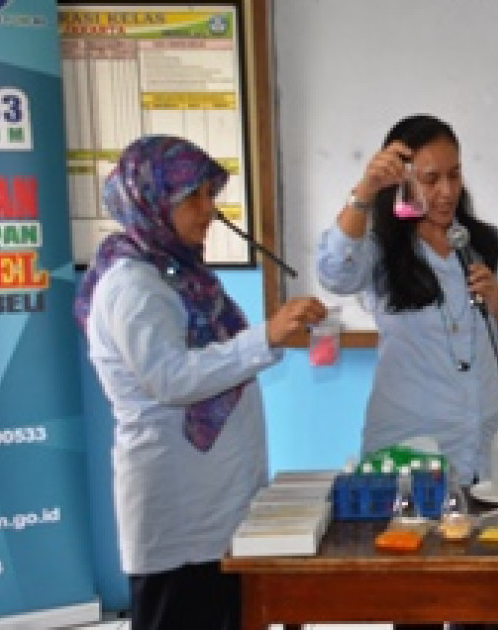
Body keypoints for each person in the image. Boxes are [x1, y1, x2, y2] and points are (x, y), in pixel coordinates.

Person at [74, 135, 327, 630]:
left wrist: (267, 339)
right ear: (151, 198)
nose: (209, 210)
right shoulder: (134, 285)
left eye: (210, 195)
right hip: (179, 511)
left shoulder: (175, 273)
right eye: (193, 196)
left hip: (213, 506)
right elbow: (170, 379)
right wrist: (265, 337)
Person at [316, 114, 498, 487]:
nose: (447, 191)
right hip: (409, 448)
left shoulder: (487, 244)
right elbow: (334, 273)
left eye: (454, 175)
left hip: (486, 446)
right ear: (402, 181)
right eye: (431, 179)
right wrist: (364, 192)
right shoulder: (379, 248)